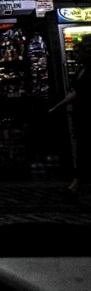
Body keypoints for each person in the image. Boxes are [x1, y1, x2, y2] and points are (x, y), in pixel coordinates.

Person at [49, 39, 91, 199]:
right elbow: (76, 92)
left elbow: (79, 93)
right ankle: (76, 184)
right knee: (84, 150)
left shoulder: (88, 71)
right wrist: (57, 107)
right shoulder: (81, 70)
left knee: (85, 150)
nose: (75, 55)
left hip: (87, 115)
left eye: (78, 52)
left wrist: (57, 107)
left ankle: (75, 185)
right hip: (82, 114)